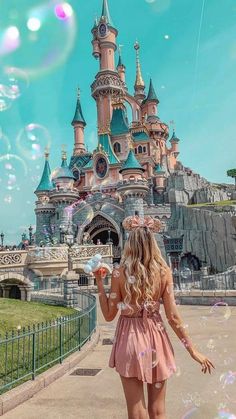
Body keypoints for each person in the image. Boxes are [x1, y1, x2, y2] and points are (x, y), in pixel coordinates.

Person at [94, 214, 215, 419]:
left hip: (129, 341)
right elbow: (173, 317)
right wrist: (193, 351)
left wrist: (99, 283)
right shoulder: (164, 272)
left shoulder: (119, 273)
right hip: (156, 339)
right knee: (158, 412)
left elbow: (108, 315)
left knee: (136, 411)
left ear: (130, 243)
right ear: (153, 243)